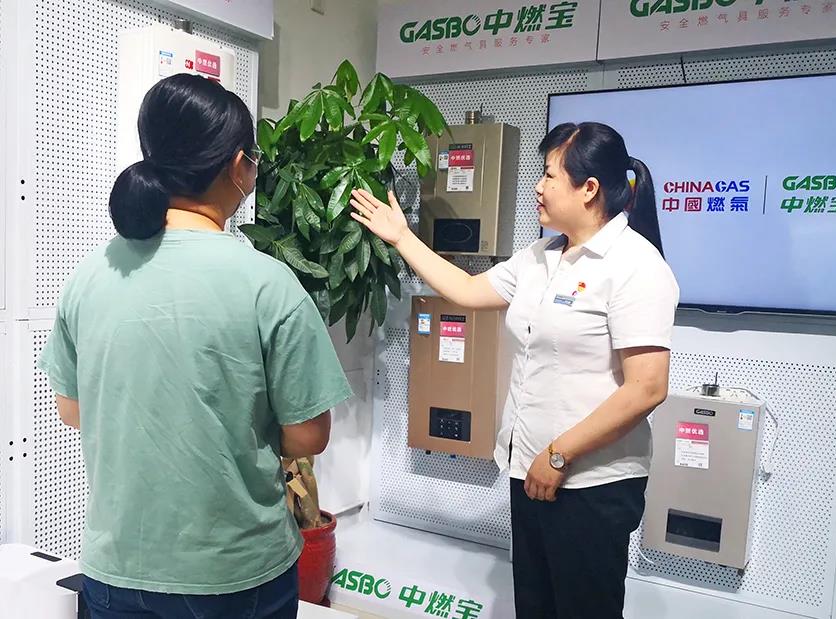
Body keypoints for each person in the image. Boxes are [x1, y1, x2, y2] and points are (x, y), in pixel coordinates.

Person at [38, 74, 353, 619]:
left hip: (115, 569)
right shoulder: (268, 284)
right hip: (235, 574)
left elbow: (73, 410)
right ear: (238, 167)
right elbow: (308, 435)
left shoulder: (90, 275)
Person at [350, 121, 679, 619]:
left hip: (590, 484)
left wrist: (560, 455)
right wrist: (402, 238)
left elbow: (647, 388)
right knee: (536, 606)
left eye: (549, 176)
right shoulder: (541, 257)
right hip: (531, 470)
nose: (538, 187)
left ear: (589, 189)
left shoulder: (636, 265)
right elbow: (466, 290)